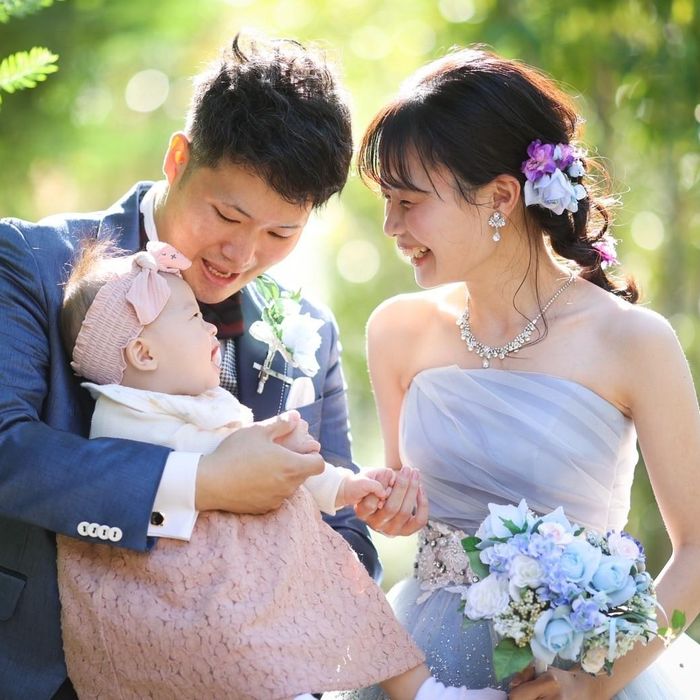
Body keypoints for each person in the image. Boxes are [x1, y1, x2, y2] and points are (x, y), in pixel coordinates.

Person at [0, 34, 383, 700]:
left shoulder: (309, 332)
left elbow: (344, 534)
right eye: (228, 215)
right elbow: (8, 450)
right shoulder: (32, 262)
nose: (242, 253)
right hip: (48, 673)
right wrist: (202, 481)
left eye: (281, 233)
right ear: (179, 159)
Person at [348, 47, 700, 699]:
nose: (392, 226)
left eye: (409, 201)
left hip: (572, 670)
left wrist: (595, 683)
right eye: (386, 201)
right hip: (421, 665)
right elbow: (408, 507)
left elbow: (699, 551)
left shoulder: (633, 341)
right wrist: (391, 508)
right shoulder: (396, 330)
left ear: (501, 196)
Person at [56, 240, 507, 700]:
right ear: (144, 354)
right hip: (178, 584)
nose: (211, 328)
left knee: (347, 582)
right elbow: (170, 465)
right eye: (194, 318)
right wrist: (257, 448)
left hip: (247, 572)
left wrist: (346, 485)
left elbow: (285, 468)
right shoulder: (121, 416)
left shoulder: (204, 402)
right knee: (243, 642)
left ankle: (422, 689)